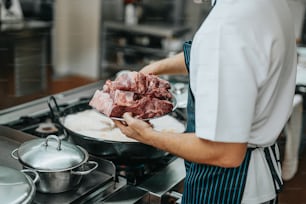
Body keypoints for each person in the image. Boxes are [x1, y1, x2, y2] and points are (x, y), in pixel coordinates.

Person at [114, 0, 297, 203]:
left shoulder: (228, 25)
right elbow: (209, 55)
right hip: (258, 178)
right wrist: (152, 69)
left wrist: (148, 135)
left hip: (229, 188)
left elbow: (225, 152)